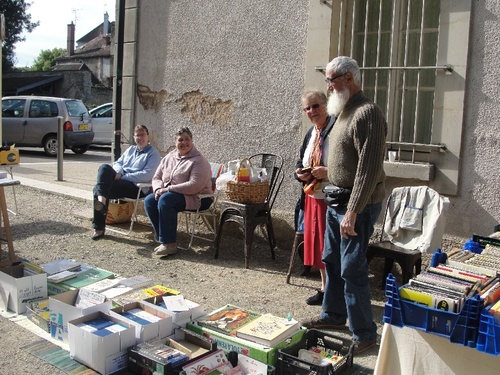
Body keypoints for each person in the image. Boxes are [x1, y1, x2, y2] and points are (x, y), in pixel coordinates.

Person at [302, 56, 387, 355]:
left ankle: (364, 334)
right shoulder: (342, 112)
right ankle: (334, 315)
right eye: (326, 80)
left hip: (356, 205)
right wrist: (323, 173)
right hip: (336, 198)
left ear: (349, 79)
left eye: (331, 80)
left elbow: (368, 168)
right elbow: (344, 159)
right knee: (331, 259)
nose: (327, 87)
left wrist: (352, 211)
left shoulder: (368, 113)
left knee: (352, 269)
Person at [144, 127, 213, 257]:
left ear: (192, 141)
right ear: (175, 142)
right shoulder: (169, 157)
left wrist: (167, 189)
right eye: (180, 140)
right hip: (173, 195)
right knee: (149, 200)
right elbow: (157, 177)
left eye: (187, 139)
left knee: (166, 200)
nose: (184, 142)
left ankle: (170, 244)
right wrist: (158, 189)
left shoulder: (199, 160)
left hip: (199, 198)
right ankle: (163, 238)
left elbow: (195, 185)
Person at [295, 90, 335, 305]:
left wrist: (328, 171)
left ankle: (335, 291)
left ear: (327, 105)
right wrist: (299, 173)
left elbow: (348, 167)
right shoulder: (311, 133)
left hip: (334, 200)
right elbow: (299, 162)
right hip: (312, 195)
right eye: (308, 108)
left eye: (316, 106)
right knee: (319, 246)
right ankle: (324, 287)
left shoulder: (337, 130)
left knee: (331, 247)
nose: (312, 111)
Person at [91, 125, 161, 240]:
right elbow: (118, 163)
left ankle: (99, 227)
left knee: (98, 189)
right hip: (122, 181)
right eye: (137, 135)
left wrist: (123, 176)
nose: (140, 137)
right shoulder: (131, 150)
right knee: (104, 168)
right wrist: (118, 172)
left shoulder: (153, 154)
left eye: (142, 134)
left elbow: (147, 175)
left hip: (136, 187)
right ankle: (102, 199)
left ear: (148, 136)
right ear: (134, 137)